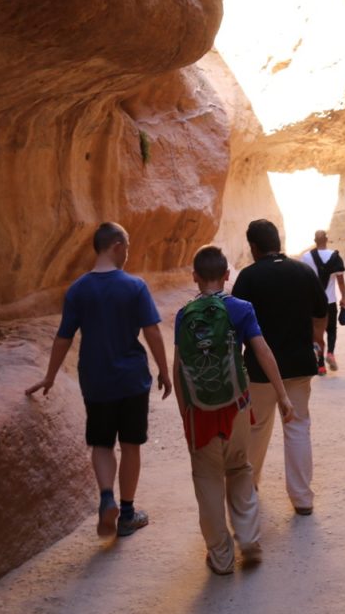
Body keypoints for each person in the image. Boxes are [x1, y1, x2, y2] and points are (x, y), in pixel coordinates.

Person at [26, 222, 171, 538]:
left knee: (102, 443)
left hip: (96, 379)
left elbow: (64, 337)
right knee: (131, 444)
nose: (128, 253)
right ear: (117, 245)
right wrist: (164, 370)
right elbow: (152, 331)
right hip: (132, 379)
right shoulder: (134, 287)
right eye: (128, 247)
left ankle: (106, 497)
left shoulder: (78, 290)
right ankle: (128, 514)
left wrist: (50, 376)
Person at [173, 245, 294, 575]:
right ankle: (249, 540)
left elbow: (179, 366)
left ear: (195, 276)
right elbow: (262, 351)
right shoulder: (240, 309)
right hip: (237, 406)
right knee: (239, 468)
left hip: (200, 413)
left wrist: (187, 411)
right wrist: (282, 395)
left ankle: (221, 557)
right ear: (228, 275)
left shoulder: (185, 315)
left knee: (207, 479)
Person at [232, 220, 328, 516]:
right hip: (300, 364)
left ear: (254, 247)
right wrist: (317, 342)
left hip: (260, 369)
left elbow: (234, 324)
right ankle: (302, 498)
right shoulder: (302, 271)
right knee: (298, 425)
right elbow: (321, 312)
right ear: (279, 241)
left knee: (257, 427)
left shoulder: (248, 277)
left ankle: (249, 486)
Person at [300, 229, 345, 374]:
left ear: (314, 240)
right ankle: (330, 353)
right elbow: (340, 281)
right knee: (331, 329)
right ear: (326, 240)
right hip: (330, 301)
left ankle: (320, 365)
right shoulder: (335, 256)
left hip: (313, 302)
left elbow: (304, 281)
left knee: (316, 334)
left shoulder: (306, 257)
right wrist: (344, 298)